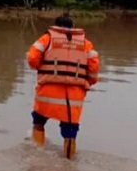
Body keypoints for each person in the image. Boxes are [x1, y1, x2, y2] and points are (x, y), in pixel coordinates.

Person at [27, 14, 100, 159]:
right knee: (70, 133)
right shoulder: (86, 44)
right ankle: (69, 165)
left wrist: (42, 68)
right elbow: (94, 69)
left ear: (56, 25)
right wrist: (88, 83)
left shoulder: (46, 38)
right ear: (72, 27)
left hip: (47, 93)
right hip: (73, 97)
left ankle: (37, 156)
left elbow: (32, 59)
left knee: (39, 123)